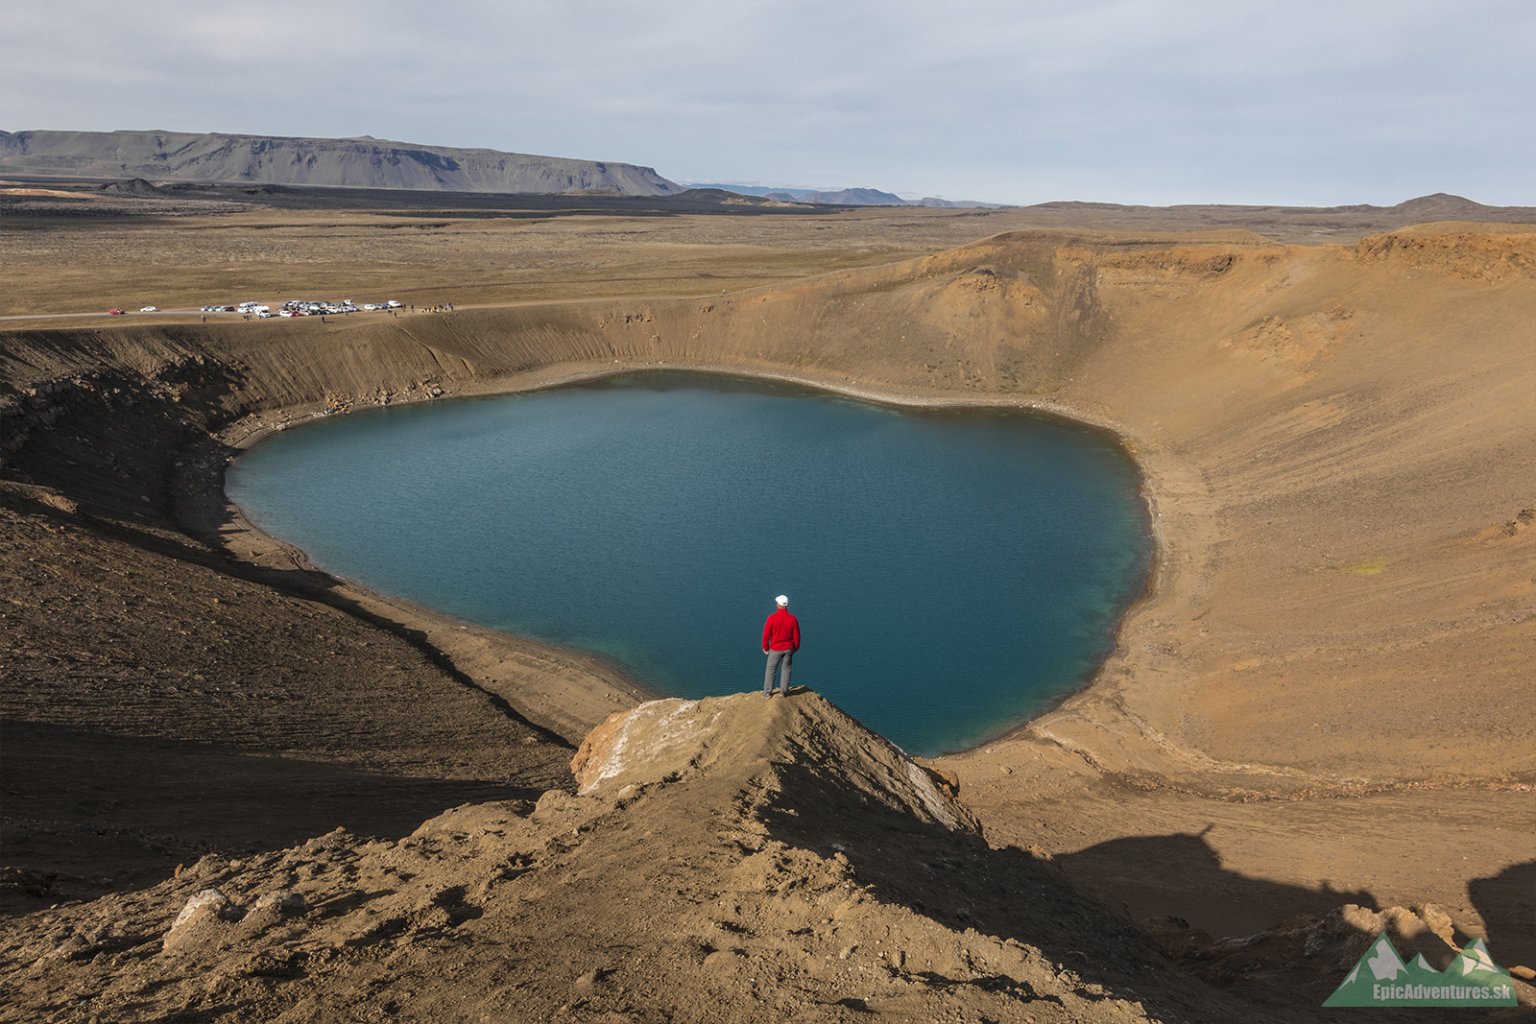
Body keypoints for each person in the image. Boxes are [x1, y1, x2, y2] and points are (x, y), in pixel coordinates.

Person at [761, 594, 800, 697]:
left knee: (771, 670)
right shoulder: (793, 619)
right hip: (789, 649)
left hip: (775, 649)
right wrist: (795, 647)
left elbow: (766, 635)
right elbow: (797, 636)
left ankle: (767, 692)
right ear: (786, 605)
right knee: (786, 669)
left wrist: (765, 647)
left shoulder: (772, 618)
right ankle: (784, 691)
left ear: (778, 605)